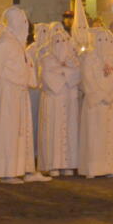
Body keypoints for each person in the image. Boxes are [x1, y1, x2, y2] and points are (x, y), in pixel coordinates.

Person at [0, 7, 48, 184]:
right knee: (9, 132)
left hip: (20, 93)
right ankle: (8, 172)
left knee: (23, 132)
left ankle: (26, 169)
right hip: (8, 95)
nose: (25, 26)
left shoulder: (17, 43)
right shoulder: (5, 43)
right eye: (22, 21)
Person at [78, 28, 113, 178]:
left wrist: (112, 95)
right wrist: (101, 95)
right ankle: (94, 168)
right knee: (95, 136)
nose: (103, 43)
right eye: (100, 40)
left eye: (107, 40)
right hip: (96, 104)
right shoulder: (89, 59)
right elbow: (87, 80)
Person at [36, 27, 82, 177]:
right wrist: (66, 74)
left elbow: (77, 75)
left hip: (69, 100)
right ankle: (52, 164)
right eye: (57, 41)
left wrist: (62, 71)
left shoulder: (72, 59)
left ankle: (68, 164)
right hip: (53, 100)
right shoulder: (46, 59)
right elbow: (47, 78)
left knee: (69, 129)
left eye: (63, 41)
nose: (61, 44)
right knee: (53, 131)